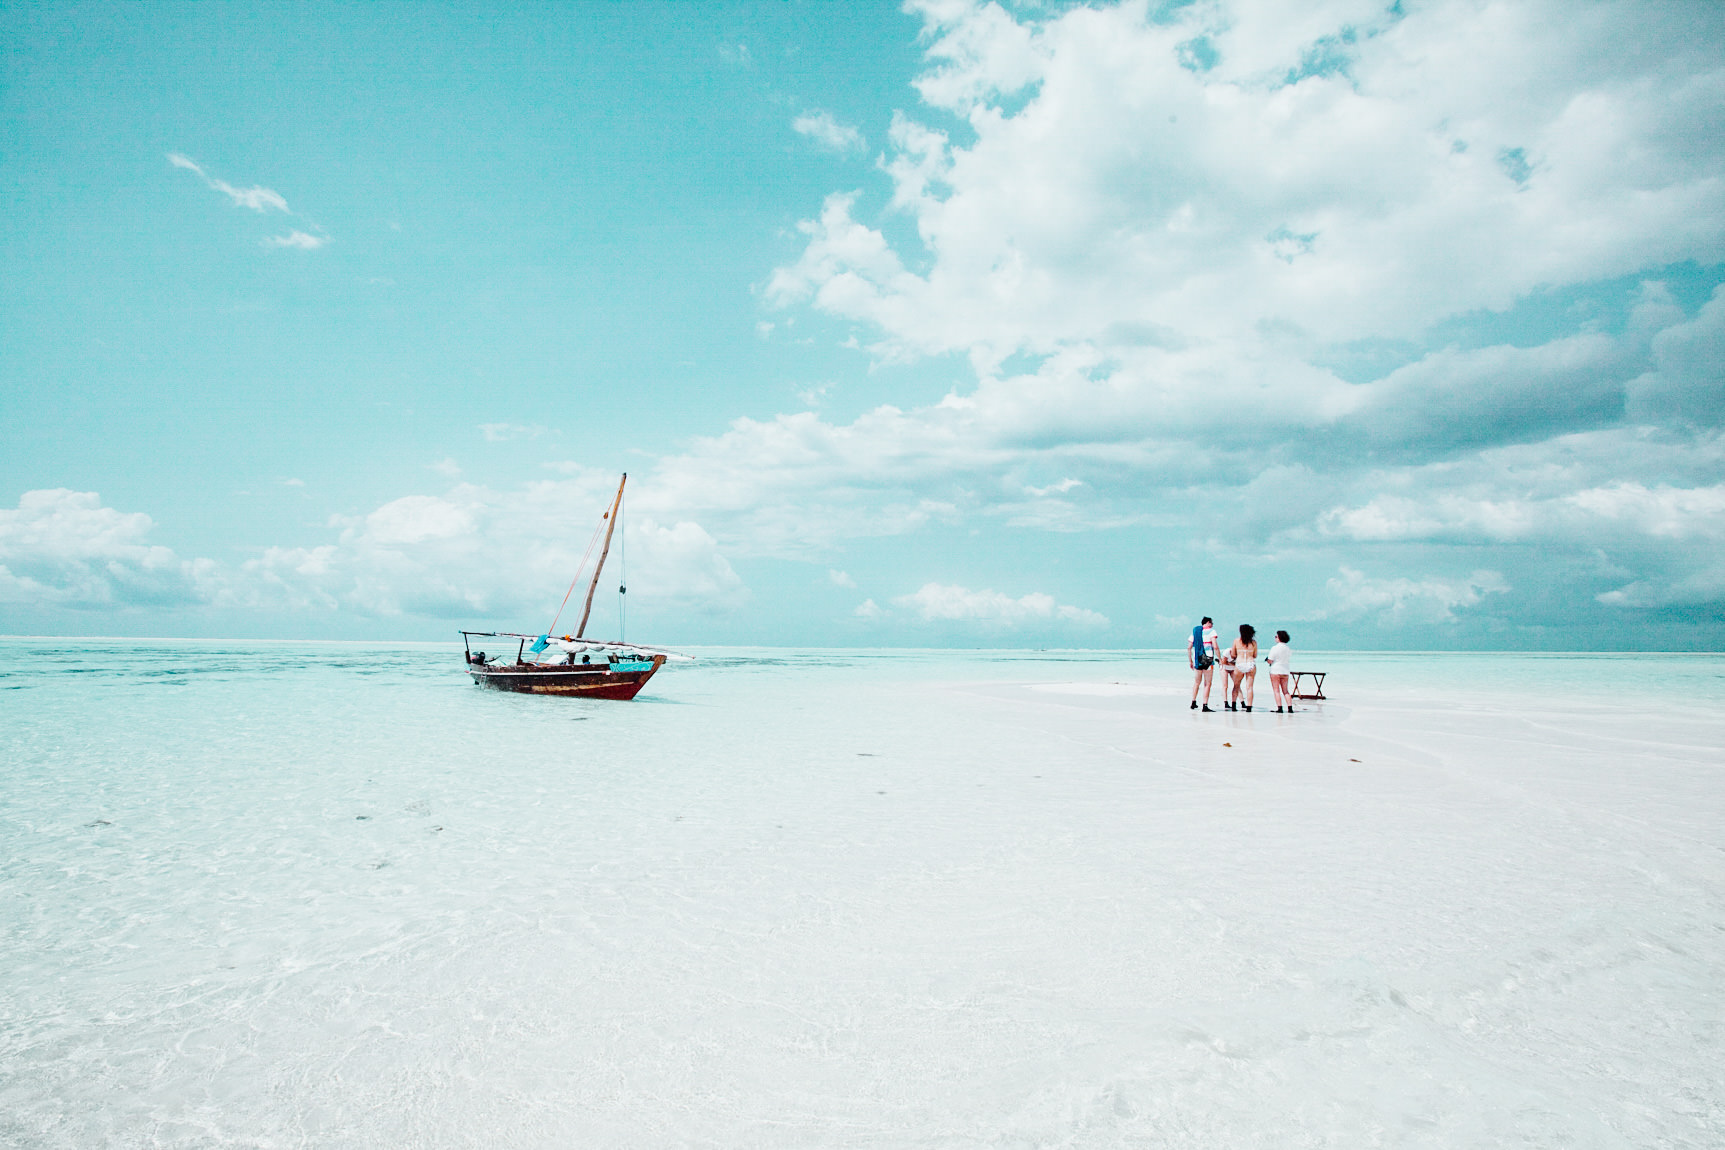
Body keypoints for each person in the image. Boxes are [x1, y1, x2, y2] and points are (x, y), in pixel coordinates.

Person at [1187, 616, 1219, 711]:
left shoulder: (1195, 632)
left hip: (1197, 659)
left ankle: (1193, 702)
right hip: (1208, 660)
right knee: (1207, 683)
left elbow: (1189, 648)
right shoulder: (1211, 631)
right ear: (1208, 622)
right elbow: (1215, 646)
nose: (1212, 625)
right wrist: (1220, 659)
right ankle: (1205, 705)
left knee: (1197, 682)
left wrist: (1191, 661)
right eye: (1212, 623)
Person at [1230, 624, 1259, 711]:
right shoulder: (1253, 642)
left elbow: (1233, 654)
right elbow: (1255, 655)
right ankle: (1249, 707)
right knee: (1249, 687)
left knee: (1236, 685)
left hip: (1240, 663)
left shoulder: (1236, 641)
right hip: (1250, 664)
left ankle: (1234, 705)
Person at [1266, 630, 1294, 713]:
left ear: (1279, 638)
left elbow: (1270, 660)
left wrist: (1267, 660)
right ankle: (1290, 708)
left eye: (1276, 636)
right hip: (1285, 670)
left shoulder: (1275, 648)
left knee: (1276, 690)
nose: (1275, 638)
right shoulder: (1288, 648)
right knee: (1285, 691)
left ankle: (1280, 708)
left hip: (1275, 670)